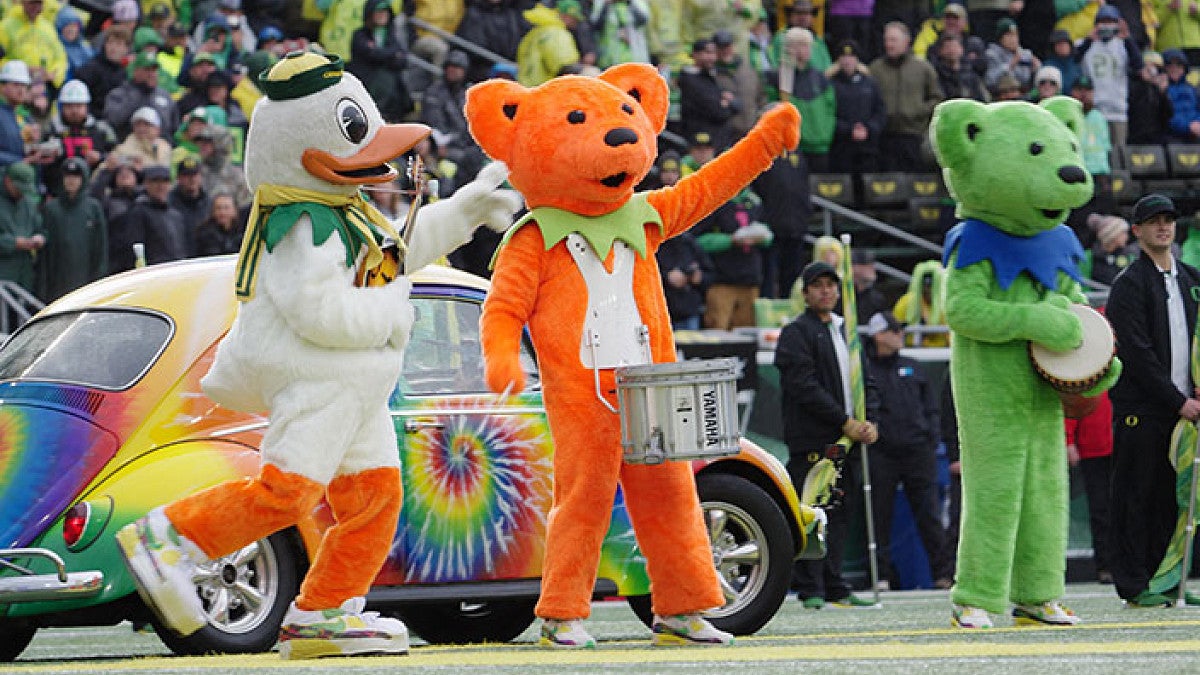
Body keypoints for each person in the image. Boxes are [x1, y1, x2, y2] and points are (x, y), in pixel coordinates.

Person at [1107, 193, 1200, 607]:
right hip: (1144, 412)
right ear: (1137, 230)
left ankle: (1169, 581)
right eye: (1154, 221)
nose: (1163, 227)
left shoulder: (1192, 279)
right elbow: (1137, 353)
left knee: (1176, 499)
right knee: (1135, 497)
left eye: (1168, 220)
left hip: (1185, 409)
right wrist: (1178, 400)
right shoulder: (1127, 285)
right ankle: (1134, 583)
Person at [775, 260, 878, 609]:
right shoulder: (795, 334)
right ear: (805, 293)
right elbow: (802, 385)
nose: (826, 291)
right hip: (813, 439)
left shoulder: (845, 331)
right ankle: (810, 587)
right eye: (817, 285)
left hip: (846, 441)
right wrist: (843, 421)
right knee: (810, 511)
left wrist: (869, 420)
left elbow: (867, 380)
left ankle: (834, 584)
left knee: (841, 512)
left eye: (831, 285)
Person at [863, 310, 955, 590]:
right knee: (878, 515)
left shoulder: (914, 367)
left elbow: (931, 409)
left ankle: (943, 574)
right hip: (882, 453)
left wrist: (930, 439)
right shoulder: (866, 371)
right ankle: (881, 576)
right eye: (893, 331)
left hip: (917, 451)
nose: (899, 335)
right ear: (879, 335)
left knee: (929, 514)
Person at [869, 22, 941, 172]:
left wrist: (918, 110)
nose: (889, 45)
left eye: (893, 40)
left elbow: (937, 98)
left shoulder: (923, 68)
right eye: (886, 40)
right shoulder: (875, 68)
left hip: (913, 136)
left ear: (906, 41)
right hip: (885, 136)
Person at [765, 27, 836, 172]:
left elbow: (831, 108)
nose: (803, 50)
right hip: (794, 147)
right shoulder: (778, 78)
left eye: (806, 45)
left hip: (820, 145)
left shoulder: (820, 77)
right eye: (798, 45)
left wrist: (825, 133)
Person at [37, 156, 105, 301]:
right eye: (67, 176)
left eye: (76, 176)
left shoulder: (93, 208)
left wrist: (99, 281)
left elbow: (101, 247)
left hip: (86, 280)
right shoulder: (51, 209)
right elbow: (45, 256)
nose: (71, 180)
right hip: (57, 281)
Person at [1077, 5, 1142, 151]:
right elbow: (1074, 60)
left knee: (1119, 152)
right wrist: (1089, 40)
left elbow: (1139, 66)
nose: (1106, 26)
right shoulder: (1085, 44)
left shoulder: (1123, 45)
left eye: (1110, 21)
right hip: (1094, 109)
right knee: (1096, 151)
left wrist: (1128, 39)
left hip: (1118, 109)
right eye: (1103, 21)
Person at [828, 38, 886, 178]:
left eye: (851, 56)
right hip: (841, 145)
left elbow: (880, 109)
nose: (847, 61)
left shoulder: (869, 83)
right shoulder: (830, 84)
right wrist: (848, 130)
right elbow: (827, 114)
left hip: (868, 145)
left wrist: (869, 128)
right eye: (843, 56)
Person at [348, 0, 414, 123]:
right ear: (369, 14)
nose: (382, 15)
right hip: (367, 84)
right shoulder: (359, 34)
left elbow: (403, 61)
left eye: (385, 12)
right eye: (378, 12)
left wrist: (381, 53)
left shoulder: (391, 35)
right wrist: (392, 54)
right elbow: (370, 55)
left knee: (392, 79)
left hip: (391, 94)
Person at [678, 37, 740, 150]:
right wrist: (727, 105)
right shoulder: (690, 80)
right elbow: (718, 111)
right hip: (702, 145)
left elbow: (734, 104)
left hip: (720, 142)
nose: (712, 57)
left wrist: (727, 102)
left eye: (714, 53)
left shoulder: (710, 76)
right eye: (707, 52)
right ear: (695, 54)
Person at [103, 50, 179, 141]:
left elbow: (174, 127)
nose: (152, 74)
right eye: (147, 69)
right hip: (128, 146)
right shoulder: (119, 94)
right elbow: (113, 120)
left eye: (154, 69)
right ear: (136, 71)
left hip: (160, 147)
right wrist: (137, 95)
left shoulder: (165, 95)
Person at [124, 164, 187, 265]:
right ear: (146, 184)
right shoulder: (138, 212)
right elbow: (132, 250)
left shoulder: (176, 215)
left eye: (165, 181)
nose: (161, 186)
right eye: (155, 181)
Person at [0, 161, 44, 294]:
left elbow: (40, 228)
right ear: (8, 181)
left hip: (25, 276)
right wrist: (13, 243)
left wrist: (40, 238)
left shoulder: (28, 203)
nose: (22, 193)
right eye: (19, 188)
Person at [517, 1, 583, 87]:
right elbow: (563, 65)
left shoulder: (538, 30)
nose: (576, 22)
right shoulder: (556, 33)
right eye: (574, 18)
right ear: (566, 16)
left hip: (528, 88)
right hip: (544, 90)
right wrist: (584, 71)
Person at [984, 17, 1040, 95]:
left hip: (1022, 96)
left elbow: (1026, 81)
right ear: (1000, 38)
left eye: (1015, 35)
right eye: (1009, 35)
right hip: (1000, 96)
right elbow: (990, 80)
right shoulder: (992, 54)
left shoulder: (1023, 53)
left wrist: (1035, 69)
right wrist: (1010, 65)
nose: (1013, 39)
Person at [169, 155, 211, 254]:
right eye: (187, 175)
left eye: (195, 175)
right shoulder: (169, 203)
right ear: (179, 178)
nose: (192, 179)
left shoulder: (209, 203)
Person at [1087, 213, 1138, 285]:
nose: (1127, 236)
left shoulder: (1129, 254)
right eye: (1123, 232)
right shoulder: (1089, 257)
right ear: (1113, 235)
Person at [1163, 49, 1200, 143]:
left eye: (1179, 65)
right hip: (1171, 136)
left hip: (1194, 132)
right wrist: (1188, 126)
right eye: (1170, 65)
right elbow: (1165, 117)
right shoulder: (1161, 90)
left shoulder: (1192, 89)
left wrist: (1197, 123)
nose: (1174, 69)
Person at [193, 191, 243, 257]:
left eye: (226, 208)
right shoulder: (204, 234)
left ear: (234, 211)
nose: (222, 212)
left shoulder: (243, 232)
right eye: (218, 208)